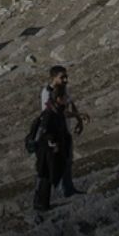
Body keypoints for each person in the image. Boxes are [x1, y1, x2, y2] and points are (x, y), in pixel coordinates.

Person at [40, 66, 84, 197]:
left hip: (65, 129)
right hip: (55, 132)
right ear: (53, 78)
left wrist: (78, 118)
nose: (65, 79)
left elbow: (70, 102)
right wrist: (79, 115)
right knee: (58, 161)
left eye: (66, 77)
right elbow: (57, 112)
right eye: (62, 77)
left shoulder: (64, 89)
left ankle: (68, 187)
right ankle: (61, 189)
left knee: (68, 159)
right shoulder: (47, 93)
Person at [26, 89, 72, 213]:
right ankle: (41, 203)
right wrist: (53, 142)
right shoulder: (50, 114)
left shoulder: (55, 111)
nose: (67, 99)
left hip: (49, 150)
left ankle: (42, 202)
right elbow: (44, 132)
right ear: (58, 99)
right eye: (64, 97)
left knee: (47, 175)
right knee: (45, 175)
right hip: (46, 151)